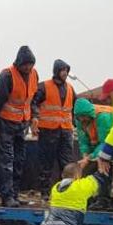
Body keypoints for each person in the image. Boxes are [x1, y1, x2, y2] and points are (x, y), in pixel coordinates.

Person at [0, 46, 39, 207]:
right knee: (6, 161)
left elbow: (32, 99)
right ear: (19, 63)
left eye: (31, 64)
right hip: (5, 124)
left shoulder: (34, 75)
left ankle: (14, 194)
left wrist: (35, 116)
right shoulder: (7, 76)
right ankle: (7, 196)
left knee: (19, 160)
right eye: (25, 64)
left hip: (22, 124)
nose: (28, 67)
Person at [32, 59, 76, 201]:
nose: (65, 73)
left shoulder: (70, 88)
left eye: (66, 70)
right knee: (46, 163)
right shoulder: (44, 87)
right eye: (63, 70)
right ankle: (45, 192)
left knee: (67, 163)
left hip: (66, 131)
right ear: (56, 71)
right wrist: (35, 118)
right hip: (48, 131)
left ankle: (66, 191)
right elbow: (33, 103)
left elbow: (74, 108)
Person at [73, 98, 113, 200]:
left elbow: (106, 142)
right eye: (80, 117)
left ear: (90, 114)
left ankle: (103, 198)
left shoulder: (103, 117)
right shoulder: (79, 120)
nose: (82, 120)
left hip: (112, 143)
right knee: (87, 169)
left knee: (104, 167)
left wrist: (90, 158)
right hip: (96, 146)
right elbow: (83, 141)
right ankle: (89, 198)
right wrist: (85, 155)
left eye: (84, 117)